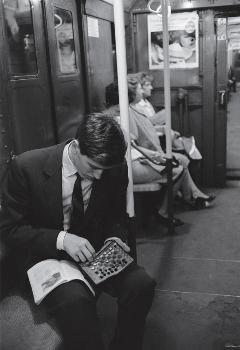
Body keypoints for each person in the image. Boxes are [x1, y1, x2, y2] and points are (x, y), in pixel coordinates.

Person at [0, 113, 156, 350]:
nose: (99, 176)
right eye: (93, 167)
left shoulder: (115, 169)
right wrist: (62, 240)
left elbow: (117, 216)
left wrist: (115, 236)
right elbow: (10, 230)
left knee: (141, 284)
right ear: (76, 146)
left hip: (95, 252)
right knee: (76, 301)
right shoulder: (26, 167)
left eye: (105, 169)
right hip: (48, 256)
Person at [126, 74, 215, 220]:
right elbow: (137, 139)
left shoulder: (134, 110)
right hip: (140, 158)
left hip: (146, 153)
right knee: (179, 165)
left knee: (181, 161)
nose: (143, 91)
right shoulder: (130, 112)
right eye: (141, 88)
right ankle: (183, 201)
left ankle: (191, 196)